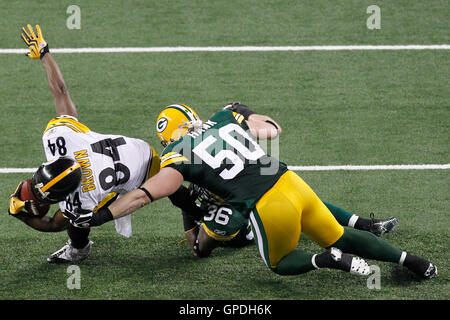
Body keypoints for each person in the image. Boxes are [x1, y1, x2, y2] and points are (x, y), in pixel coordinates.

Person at [68, 102, 437, 279]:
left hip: (263, 203)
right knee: (341, 235)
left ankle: (327, 260)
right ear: (193, 118)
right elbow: (273, 129)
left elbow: (145, 195)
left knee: (279, 263)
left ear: (166, 138)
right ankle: (415, 263)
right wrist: (242, 114)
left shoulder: (174, 156)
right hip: (292, 182)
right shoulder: (222, 119)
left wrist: (98, 216)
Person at [155, 105, 399, 258]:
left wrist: (187, 206)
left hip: (238, 202)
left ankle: (364, 225)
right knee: (291, 200)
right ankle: (362, 228)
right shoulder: (212, 131)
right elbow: (268, 129)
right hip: (235, 209)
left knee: (292, 199)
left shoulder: (181, 152)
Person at [9, 24, 163, 263]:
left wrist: (17, 214)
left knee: (78, 220)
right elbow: (61, 91)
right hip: (137, 148)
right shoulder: (59, 138)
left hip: (142, 177)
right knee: (80, 210)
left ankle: (78, 249)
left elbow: (52, 225)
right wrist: (44, 52)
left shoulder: (81, 196)